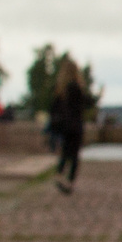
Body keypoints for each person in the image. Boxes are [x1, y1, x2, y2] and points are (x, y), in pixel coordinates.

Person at [47, 58, 89, 195]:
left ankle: (59, 174)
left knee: (65, 153)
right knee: (75, 155)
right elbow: (85, 104)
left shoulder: (61, 89)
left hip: (64, 126)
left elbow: (53, 108)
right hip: (76, 125)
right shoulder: (76, 87)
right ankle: (70, 182)